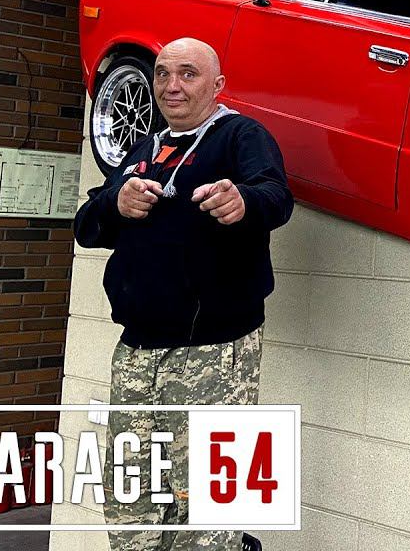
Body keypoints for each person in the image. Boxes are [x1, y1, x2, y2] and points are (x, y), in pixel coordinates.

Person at [74, 37, 293, 551]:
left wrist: (244, 201)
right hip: (136, 350)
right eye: (162, 73)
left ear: (217, 85)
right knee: (131, 494)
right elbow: (87, 225)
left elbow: (276, 195)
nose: (172, 85)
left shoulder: (240, 135)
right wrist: (115, 202)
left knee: (206, 502)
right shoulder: (145, 148)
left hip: (213, 351)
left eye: (188, 74)